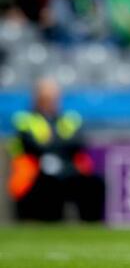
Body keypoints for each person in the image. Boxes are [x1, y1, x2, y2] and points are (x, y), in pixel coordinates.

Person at [7, 78, 104, 222]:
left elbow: (78, 142)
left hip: (68, 170)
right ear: (36, 98)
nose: (49, 102)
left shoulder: (69, 119)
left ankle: (91, 225)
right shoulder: (24, 119)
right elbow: (33, 146)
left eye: (52, 98)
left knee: (94, 183)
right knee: (50, 184)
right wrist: (59, 143)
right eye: (45, 98)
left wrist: (51, 143)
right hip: (36, 175)